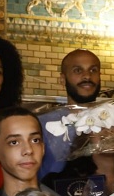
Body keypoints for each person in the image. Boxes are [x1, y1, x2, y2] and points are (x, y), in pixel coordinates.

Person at [38, 49, 102, 178]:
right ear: (62, 79)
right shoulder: (42, 123)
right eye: (78, 70)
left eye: (93, 70)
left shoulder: (113, 120)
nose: (87, 76)